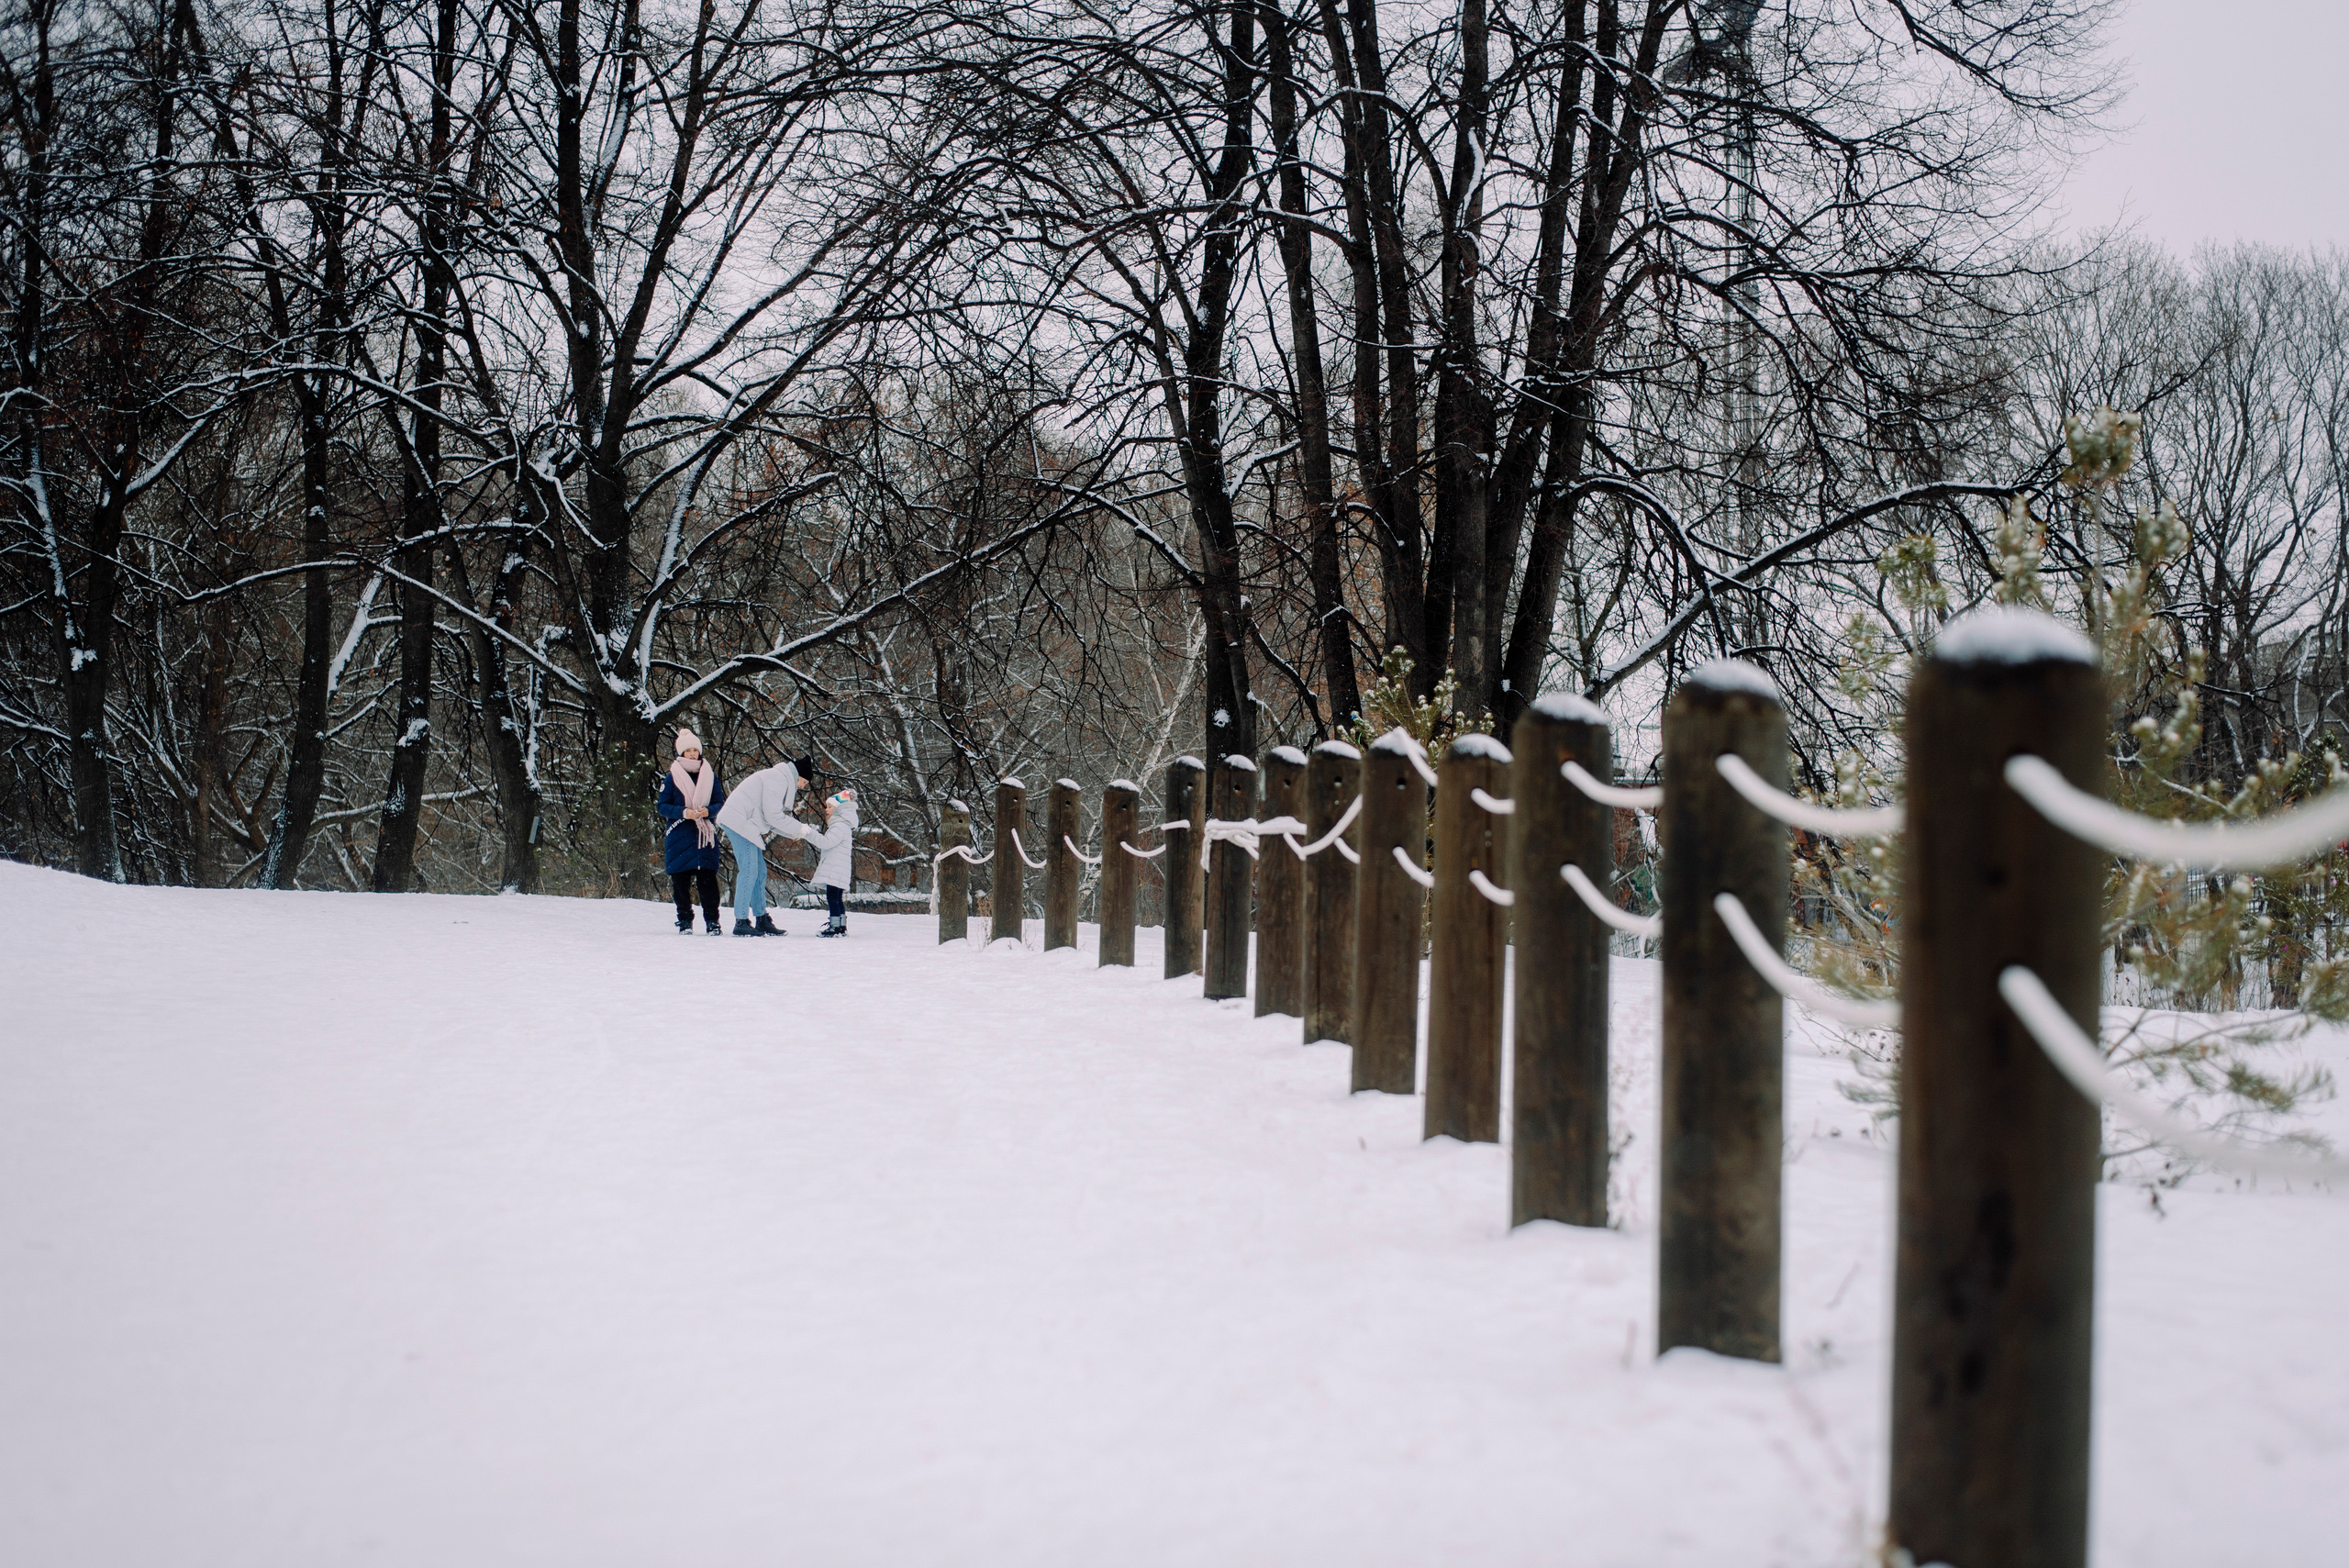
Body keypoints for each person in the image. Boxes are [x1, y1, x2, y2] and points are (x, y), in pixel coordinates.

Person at [714, 751, 813, 936]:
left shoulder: (780, 778)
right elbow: (773, 816)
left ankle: (761, 919)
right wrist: (799, 829)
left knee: (760, 872)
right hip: (739, 821)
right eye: (804, 782)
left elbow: (773, 821)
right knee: (750, 870)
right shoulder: (778, 779)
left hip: (746, 822)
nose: (802, 786)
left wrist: (796, 831)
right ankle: (741, 921)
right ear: (798, 775)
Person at [655, 728, 728, 933]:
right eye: (688, 750)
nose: (693, 753)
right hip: (680, 836)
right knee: (681, 882)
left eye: (696, 749)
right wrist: (684, 812)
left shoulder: (709, 776)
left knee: (708, 882)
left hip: (705, 837)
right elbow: (662, 806)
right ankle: (685, 921)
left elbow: (719, 802)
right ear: (681, 753)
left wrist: (709, 811)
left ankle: (713, 922)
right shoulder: (672, 777)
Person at [807, 786, 858, 937]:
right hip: (838, 869)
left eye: (830, 807)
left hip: (835, 869)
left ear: (839, 810)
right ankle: (840, 926)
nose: (826, 809)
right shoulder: (844, 826)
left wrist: (809, 834)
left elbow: (826, 842)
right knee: (836, 897)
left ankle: (836, 927)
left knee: (832, 897)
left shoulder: (839, 826)